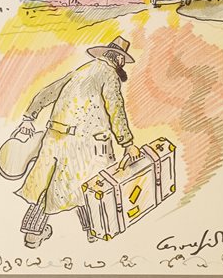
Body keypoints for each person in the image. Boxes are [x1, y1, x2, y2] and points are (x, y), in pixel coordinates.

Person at [15, 36, 140, 248]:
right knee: (89, 185)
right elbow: (116, 110)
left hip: (55, 138)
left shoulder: (80, 71)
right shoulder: (109, 75)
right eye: (122, 60)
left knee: (47, 185)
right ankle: (93, 232)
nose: (122, 64)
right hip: (84, 145)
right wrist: (127, 143)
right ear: (118, 59)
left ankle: (33, 234)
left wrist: (29, 116)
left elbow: (48, 92)